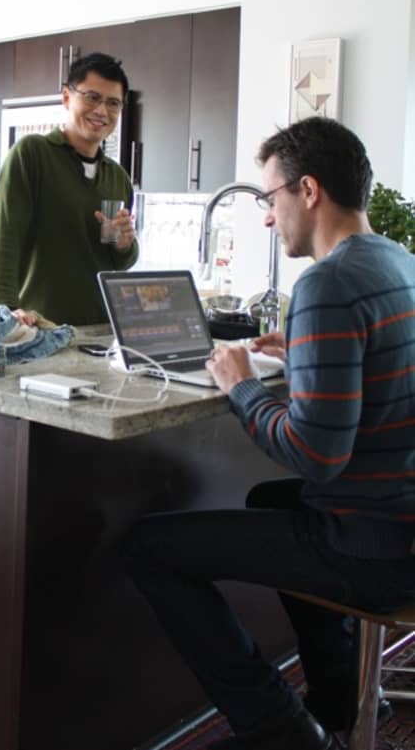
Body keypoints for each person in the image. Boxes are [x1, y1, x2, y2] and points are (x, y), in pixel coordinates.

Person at [124, 116, 415, 750]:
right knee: (265, 501)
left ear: (308, 191)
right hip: (400, 524)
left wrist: (241, 385)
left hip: (373, 549)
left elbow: (317, 456)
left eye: (269, 198)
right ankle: (335, 700)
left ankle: (281, 731)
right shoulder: (396, 260)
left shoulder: (328, 283)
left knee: (146, 548)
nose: (266, 215)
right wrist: (303, 347)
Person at [0, 52, 139, 327]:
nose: (102, 111)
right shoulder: (32, 155)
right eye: (92, 97)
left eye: (113, 103)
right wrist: (4, 310)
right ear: (67, 97)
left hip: (100, 330)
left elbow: (117, 262)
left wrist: (125, 245)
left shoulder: (118, 177)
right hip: (39, 327)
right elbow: (3, 237)